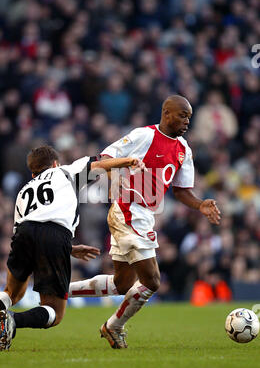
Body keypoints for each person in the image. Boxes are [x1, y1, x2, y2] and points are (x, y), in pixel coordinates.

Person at [69, 95, 221, 349]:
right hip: (128, 209)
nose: (187, 121)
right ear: (166, 113)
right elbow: (105, 155)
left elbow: (181, 190)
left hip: (143, 215)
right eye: (182, 115)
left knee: (123, 284)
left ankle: (60, 290)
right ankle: (113, 326)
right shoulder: (144, 136)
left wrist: (200, 205)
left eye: (189, 117)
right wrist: (115, 175)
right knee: (152, 281)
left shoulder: (184, 149)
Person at [0, 145, 145, 351]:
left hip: (24, 233)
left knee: (11, 292)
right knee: (54, 311)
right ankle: (13, 320)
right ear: (55, 163)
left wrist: (69, 248)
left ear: (32, 172)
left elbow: (29, 229)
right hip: (55, 236)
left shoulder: (23, 192)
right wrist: (128, 161)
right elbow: (99, 165)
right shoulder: (65, 172)